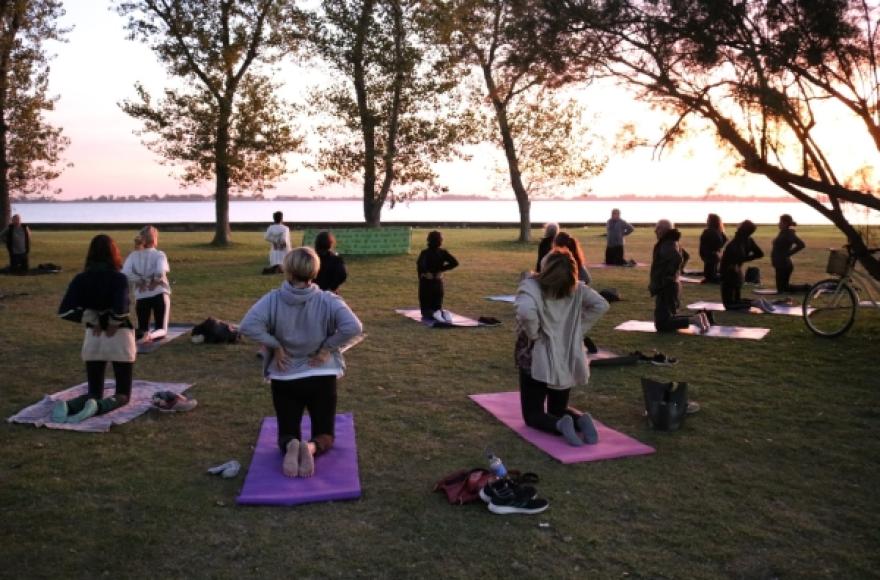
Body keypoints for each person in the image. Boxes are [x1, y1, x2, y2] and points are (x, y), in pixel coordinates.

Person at [240, 247, 363, 478]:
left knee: (287, 432)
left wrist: (275, 345)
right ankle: (311, 447)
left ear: (287, 271)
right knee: (325, 433)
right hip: (321, 376)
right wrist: (327, 348)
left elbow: (247, 326)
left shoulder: (272, 299)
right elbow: (354, 327)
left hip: (285, 377)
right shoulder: (328, 300)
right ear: (314, 273)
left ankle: (292, 446)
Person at [515, 249, 610, 446]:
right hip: (566, 353)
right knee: (557, 409)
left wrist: (534, 334)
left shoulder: (532, 286)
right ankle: (580, 419)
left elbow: (525, 311)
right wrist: (577, 330)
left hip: (536, 356)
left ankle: (560, 426)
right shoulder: (576, 288)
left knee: (533, 414)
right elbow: (601, 305)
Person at [53, 235, 136, 423]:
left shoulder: (81, 278)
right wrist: (112, 323)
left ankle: (70, 405)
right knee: (123, 392)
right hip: (119, 336)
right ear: (114, 253)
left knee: (94, 391)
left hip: (93, 335)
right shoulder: (119, 278)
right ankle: (98, 407)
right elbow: (121, 308)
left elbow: (64, 311)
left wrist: (92, 318)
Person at [650, 220, 710, 333]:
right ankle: (697, 318)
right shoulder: (672, 241)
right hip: (671, 284)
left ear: (664, 230)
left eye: (658, 228)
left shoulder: (667, 243)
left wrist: (668, 275)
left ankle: (694, 319)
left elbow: (678, 258)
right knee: (667, 317)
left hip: (667, 285)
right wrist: (677, 272)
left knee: (661, 324)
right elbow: (685, 256)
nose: (655, 231)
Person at [122, 225, 171, 341]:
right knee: (162, 329)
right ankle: (150, 336)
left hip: (142, 296)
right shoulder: (159, 254)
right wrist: (154, 282)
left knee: (143, 327)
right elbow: (160, 271)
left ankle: (140, 334)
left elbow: (125, 272)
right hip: (159, 294)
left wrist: (139, 281)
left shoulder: (133, 255)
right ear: (154, 239)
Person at [720, 220, 774, 312]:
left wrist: (741, 260)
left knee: (729, 305)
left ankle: (754, 303)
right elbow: (759, 254)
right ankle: (756, 301)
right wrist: (744, 259)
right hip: (738, 274)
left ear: (742, 228)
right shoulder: (749, 240)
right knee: (736, 300)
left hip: (729, 274)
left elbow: (732, 258)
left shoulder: (736, 242)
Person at [417, 230, 459, 322]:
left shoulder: (425, 252)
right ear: (440, 241)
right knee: (437, 307)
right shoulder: (443, 252)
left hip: (427, 284)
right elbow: (454, 263)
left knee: (425, 311)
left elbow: (420, 265)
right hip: (438, 283)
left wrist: (426, 273)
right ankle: (442, 313)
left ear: (428, 240)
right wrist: (441, 270)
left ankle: (436, 314)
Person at [771, 214, 807, 293]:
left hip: (784, 264)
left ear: (785, 223)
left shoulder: (789, 233)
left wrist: (788, 254)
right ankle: (806, 288)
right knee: (782, 288)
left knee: (782, 289)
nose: (779, 223)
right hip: (780, 263)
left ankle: (806, 288)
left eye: (780, 222)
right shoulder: (783, 232)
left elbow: (801, 245)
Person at [699, 213, 727, 283]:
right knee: (711, 273)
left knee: (710, 276)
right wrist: (718, 250)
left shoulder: (708, 231)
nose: (707, 221)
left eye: (708, 220)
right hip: (715, 256)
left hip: (710, 256)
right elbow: (725, 239)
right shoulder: (719, 231)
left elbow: (703, 243)